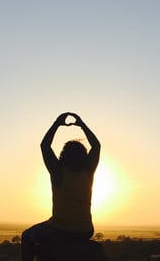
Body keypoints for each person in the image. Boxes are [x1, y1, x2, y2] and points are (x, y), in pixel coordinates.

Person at [21, 112, 101, 261]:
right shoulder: (88, 171)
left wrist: (57, 123)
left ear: (63, 155)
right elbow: (96, 146)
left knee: (26, 235)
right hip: (86, 230)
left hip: (60, 229)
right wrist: (82, 125)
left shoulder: (57, 171)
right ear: (84, 155)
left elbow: (45, 145)